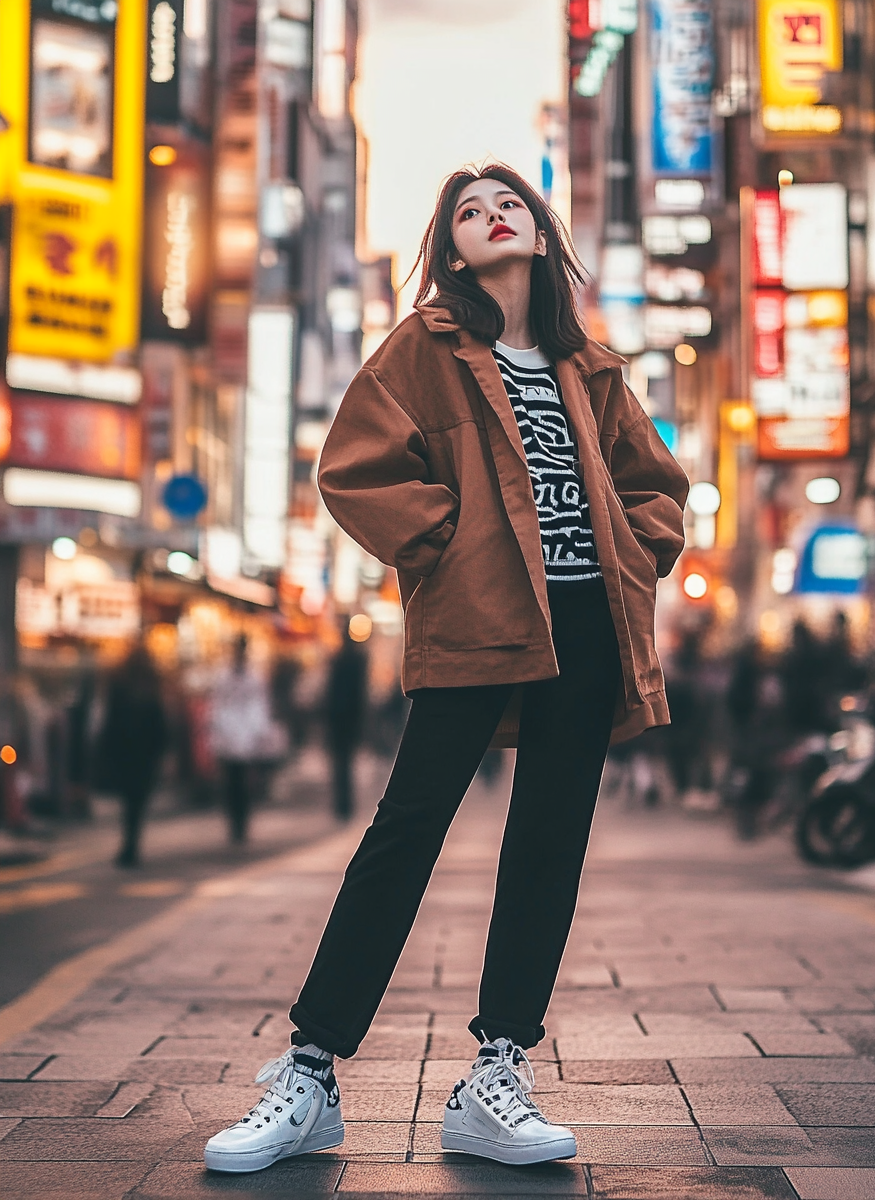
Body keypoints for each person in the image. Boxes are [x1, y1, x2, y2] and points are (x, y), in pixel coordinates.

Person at [205, 163, 687, 1174]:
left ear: (541, 236)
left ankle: (496, 1072)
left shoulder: (590, 366)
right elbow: (353, 468)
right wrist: (451, 540)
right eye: (467, 213)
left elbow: (656, 485)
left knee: (548, 841)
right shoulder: (424, 347)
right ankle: (310, 1069)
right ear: (454, 251)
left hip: (587, 625)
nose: (490, 216)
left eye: (507, 203)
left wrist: (636, 552)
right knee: (406, 829)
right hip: (477, 615)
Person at [209, 634, 287, 844]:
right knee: (231, 783)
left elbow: (258, 706)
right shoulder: (224, 676)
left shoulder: (253, 677)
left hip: (245, 738)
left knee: (242, 783)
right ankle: (235, 823)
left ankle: (241, 824)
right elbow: (218, 706)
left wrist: (257, 732)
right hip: (229, 737)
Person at [96, 645, 168, 868]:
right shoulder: (149, 687)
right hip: (141, 755)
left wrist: (106, 750)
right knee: (136, 801)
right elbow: (161, 724)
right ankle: (131, 844)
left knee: (130, 801)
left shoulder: (121, 685)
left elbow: (110, 722)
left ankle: (130, 845)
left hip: (127, 754)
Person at [324, 622, 368, 819]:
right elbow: (360, 693)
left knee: (340, 763)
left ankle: (342, 804)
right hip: (349, 719)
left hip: (338, 719)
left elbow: (331, 691)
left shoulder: (338, 660)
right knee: (345, 763)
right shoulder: (357, 661)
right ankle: (345, 804)